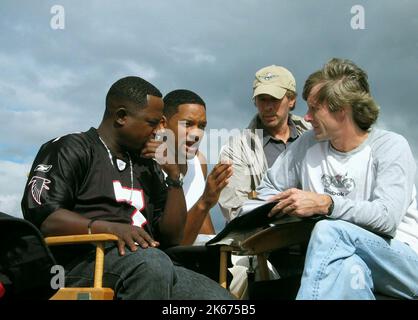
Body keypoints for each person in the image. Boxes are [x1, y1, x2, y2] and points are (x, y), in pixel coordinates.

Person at [21, 76, 234, 300]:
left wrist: (173, 178)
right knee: (152, 263)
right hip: (79, 262)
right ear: (122, 116)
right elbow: (45, 218)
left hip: (145, 263)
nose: (156, 131)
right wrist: (111, 228)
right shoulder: (72, 147)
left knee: (219, 299)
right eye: (152, 123)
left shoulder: (146, 164)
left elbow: (172, 238)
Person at [252, 58, 418, 299]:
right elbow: (268, 189)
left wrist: (326, 204)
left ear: (341, 110)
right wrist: (282, 207)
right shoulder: (308, 144)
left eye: (313, 109)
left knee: (329, 231)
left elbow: (387, 219)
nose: (305, 118)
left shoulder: (390, 146)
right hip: (347, 259)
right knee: (349, 269)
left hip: (402, 262)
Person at [218, 65, 311, 298]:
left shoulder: (316, 134)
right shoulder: (236, 147)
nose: (268, 107)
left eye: (274, 99)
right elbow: (235, 211)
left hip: (318, 242)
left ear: (291, 100)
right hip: (268, 252)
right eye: (262, 99)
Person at [160, 89, 232, 245]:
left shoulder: (199, 162)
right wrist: (205, 201)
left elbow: (205, 230)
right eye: (188, 124)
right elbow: (172, 247)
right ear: (163, 124)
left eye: (202, 126)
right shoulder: (149, 166)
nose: (197, 133)